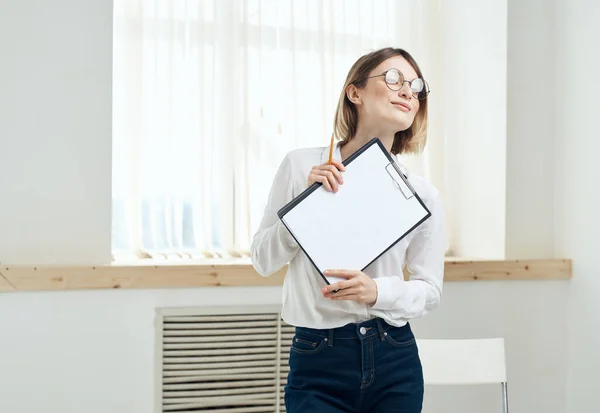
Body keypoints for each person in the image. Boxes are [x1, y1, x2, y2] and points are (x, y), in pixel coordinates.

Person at [250, 47, 445, 413]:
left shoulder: (422, 195)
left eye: (416, 86)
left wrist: (377, 291)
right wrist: (305, 209)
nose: (408, 91)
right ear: (355, 93)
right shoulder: (300, 166)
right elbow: (262, 260)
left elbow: (430, 290)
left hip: (395, 358)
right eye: (393, 79)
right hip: (317, 358)